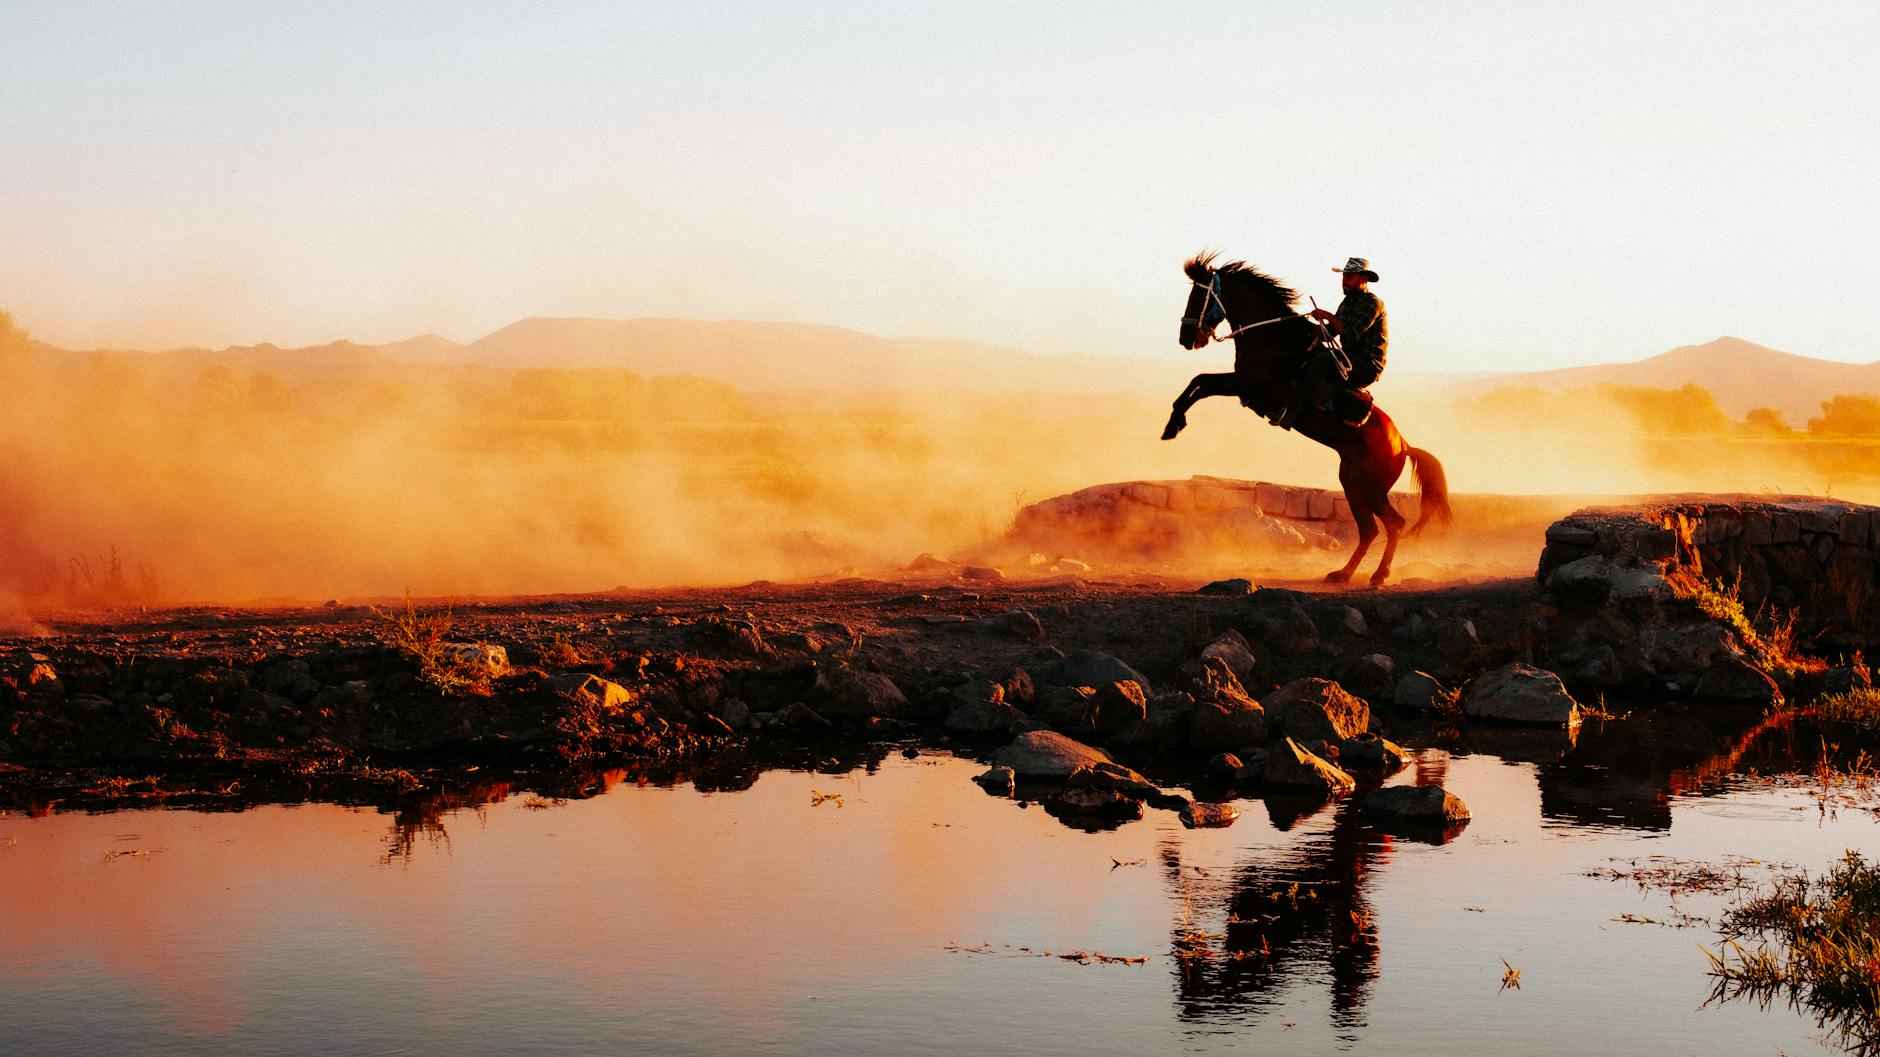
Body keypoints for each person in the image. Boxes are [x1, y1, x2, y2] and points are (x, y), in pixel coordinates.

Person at [1302, 257, 1388, 425]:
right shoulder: (1347, 303)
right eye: (1344, 276)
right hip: (1349, 358)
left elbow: (1350, 332)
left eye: (1349, 277)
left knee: (1322, 361)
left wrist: (1326, 315)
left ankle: (1326, 406)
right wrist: (1304, 328)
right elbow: (1331, 332)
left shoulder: (1373, 303)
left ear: (1363, 279)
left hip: (1367, 365)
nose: (1344, 281)